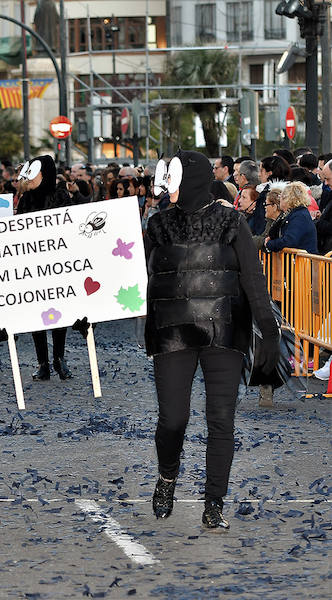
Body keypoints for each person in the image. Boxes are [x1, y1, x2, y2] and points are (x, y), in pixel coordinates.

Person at [145, 150, 279, 531]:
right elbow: (134, 278)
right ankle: (167, 477)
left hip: (224, 331)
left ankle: (213, 503)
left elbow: (253, 279)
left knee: (222, 420)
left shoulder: (233, 221)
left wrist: (269, 331)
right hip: (172, 332)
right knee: (173, 418)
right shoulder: (157, 225)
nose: (166, 185)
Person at [16, 155, 74, 380]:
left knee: (59, 312)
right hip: (32, 264)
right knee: (35, 313)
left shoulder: (60, 195)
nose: (29, 179)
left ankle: (59, 359)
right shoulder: (26, 199)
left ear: (45, 174)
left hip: (56, 262)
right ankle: (42, 363)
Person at [264, 181, 318, 255]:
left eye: (281, 197)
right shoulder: (292, 214)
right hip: (296, 263)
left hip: (303, 264)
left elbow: (289, 241)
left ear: (288, 199)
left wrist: (270, 244)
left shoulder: (300, 216)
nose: (280, 200)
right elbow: (273, 233)